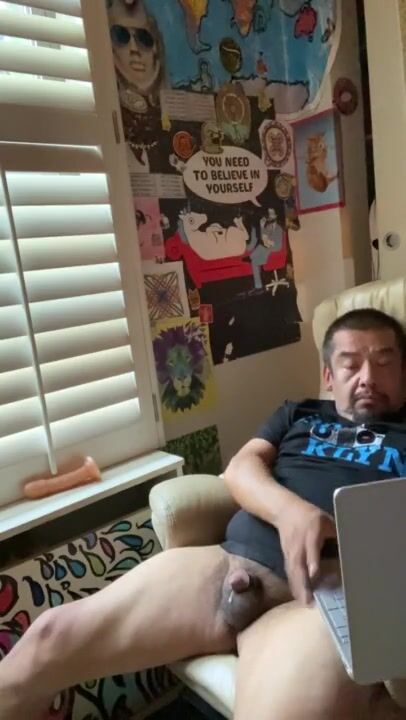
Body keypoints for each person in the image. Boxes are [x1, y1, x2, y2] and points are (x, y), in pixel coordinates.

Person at [2, 308, 406, 720]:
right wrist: (292, 514)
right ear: (328, 376)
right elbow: (241, 468)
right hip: (227, 562)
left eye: (384, 362)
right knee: (47, 639)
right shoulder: (298, 413)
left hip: (321, 596)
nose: (367, 378)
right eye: (351, 364)